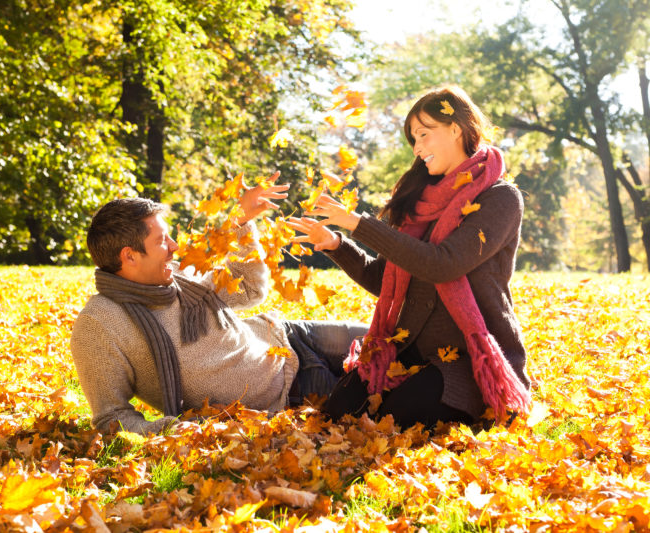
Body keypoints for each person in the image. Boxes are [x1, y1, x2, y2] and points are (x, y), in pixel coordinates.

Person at [288, 86, 532, 429]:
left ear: (456, 128)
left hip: (466, 360)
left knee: (396, 417)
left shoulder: (500, 198)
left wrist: (360, 224)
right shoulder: (421, 203)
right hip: (408, 352)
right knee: (338, 414)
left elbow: (442, 264)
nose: (417, 148)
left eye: (423, 134)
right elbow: (382, 278)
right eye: (413, 139)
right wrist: (336, 245)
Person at [70, 172, 367, 435]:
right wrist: (169, 429)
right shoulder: (101, 324)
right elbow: (111, 416)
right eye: (162, 241)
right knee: (396, 398)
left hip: (291, 337)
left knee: (395, 340)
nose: (175, 247)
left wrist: (241, 222)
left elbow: (250, 288)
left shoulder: (179, 279)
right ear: (129, 256)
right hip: (291, 390)